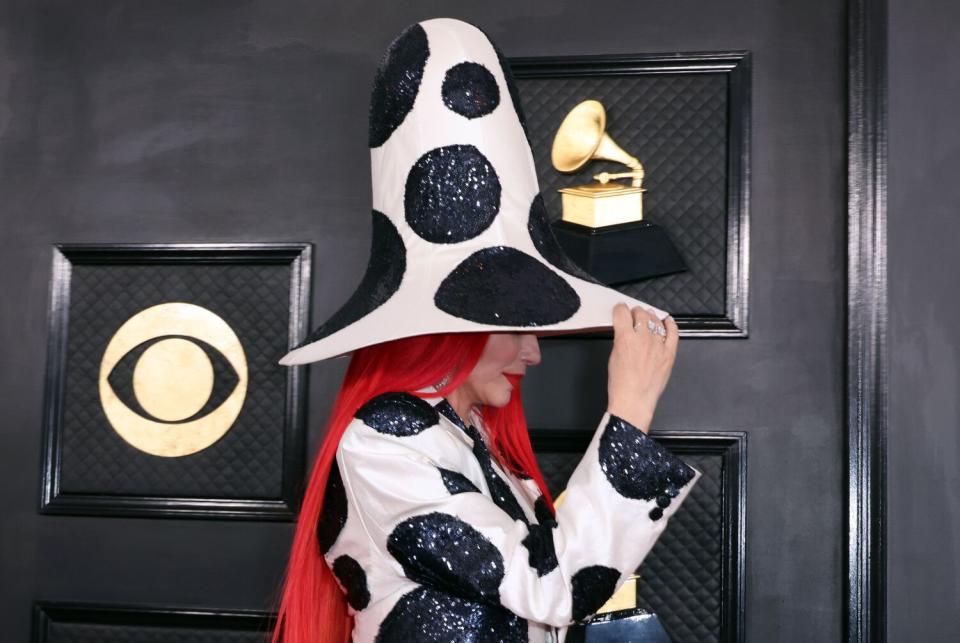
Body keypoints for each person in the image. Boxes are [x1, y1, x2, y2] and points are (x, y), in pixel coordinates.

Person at [273, 18, 701, 643]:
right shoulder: (387, 436)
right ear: (448, 326)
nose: (533, 350)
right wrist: (630, 411)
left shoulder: (472, 438)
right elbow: (555, 588)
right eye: (518, 326)